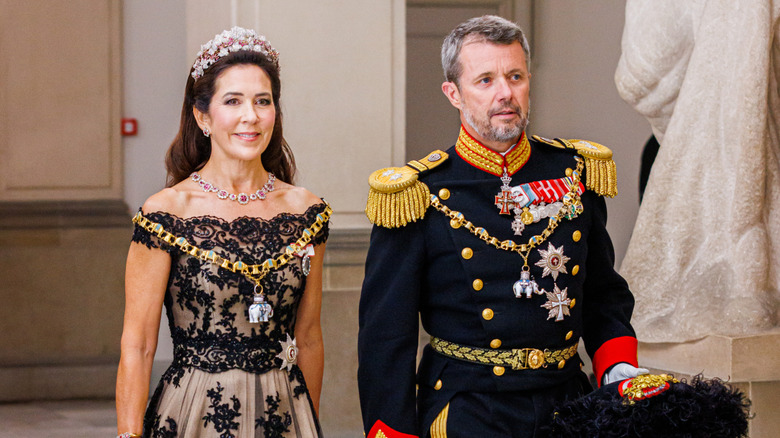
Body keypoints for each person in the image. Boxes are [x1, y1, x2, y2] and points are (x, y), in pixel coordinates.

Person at [358, 15, 646, 438]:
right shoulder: (416, 194)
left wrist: (618, 366)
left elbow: (603, 293)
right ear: (453, 93)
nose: (505, 94)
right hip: (467, 409)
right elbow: (386, 338)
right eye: (486, 80)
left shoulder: (574, 173)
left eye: (515, 76)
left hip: (568, 405)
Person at [116, 27, 330, 438]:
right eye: (233, 101)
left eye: (262, 101)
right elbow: (138, 345)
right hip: (193, 412)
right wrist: (128, 433)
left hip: (283, 412)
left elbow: (309, 337)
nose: (250, 116)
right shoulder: (165, 213)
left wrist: (309, 423)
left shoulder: (307, 211)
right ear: (203, 116)